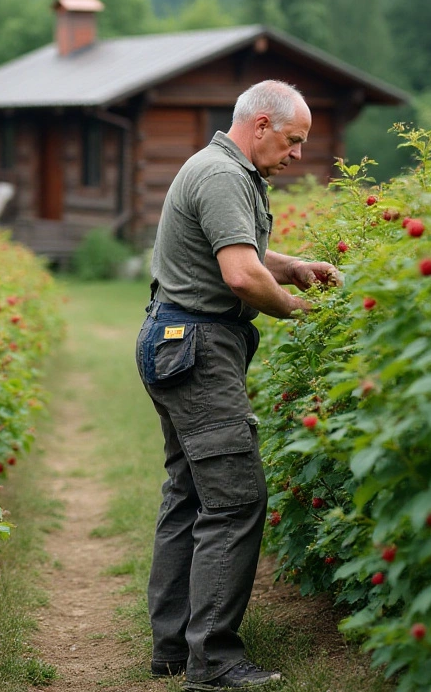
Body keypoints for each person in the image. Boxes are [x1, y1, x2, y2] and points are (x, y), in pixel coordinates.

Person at [135, 80, 340, 691]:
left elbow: (244, 251)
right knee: (234, 496)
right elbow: (242, 275)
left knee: (191, 493)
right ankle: (215, 659)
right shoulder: (223, 175)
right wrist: (298, 309)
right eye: (293, 140)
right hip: (197, 347)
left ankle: (173, 648)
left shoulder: (220, 169)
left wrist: (294, 267)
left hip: (176, 342)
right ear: (260, 125)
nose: (298, 153)